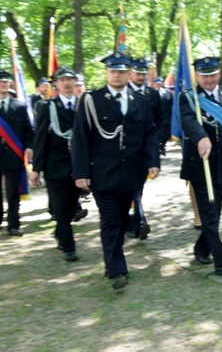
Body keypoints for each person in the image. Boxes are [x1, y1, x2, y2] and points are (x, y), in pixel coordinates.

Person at [71, 52, 160, 290]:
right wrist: (80, 173)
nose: (117, 75)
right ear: (107, 73)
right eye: (113, 71)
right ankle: (117, 269)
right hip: (102, 173)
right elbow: (80, 138)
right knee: (110, 219)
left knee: (121, 219)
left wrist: (153, 160)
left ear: (129, 72)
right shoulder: (92, 99)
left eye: (121, 71)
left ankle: (113, 261)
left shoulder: (139, 100)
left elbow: (150, 132)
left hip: (132, 173)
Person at [179, 56, 222, 275]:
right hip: (200, 164)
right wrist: (201, 137)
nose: (209, 79)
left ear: (219, 74)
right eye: (204, 75)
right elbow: (187, 121)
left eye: (212, 74)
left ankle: (200, 248)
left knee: (216, 211)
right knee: (209, 213)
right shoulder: (188, 98)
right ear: (197, 75)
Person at [30, 67, 81, 260]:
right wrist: (36, 169)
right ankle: (69, 247)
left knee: (70, 206)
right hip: (55, 166)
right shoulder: (47, 106)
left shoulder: (83, 105)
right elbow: (40, 139)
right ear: (56, 84)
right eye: (62, 80)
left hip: (77, 166)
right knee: (60, 206)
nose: (67, 83)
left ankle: (60, 232)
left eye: (70, 79)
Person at [126, 57, 163, 240]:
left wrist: (157, 146)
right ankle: (138, 221)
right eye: (137, 72)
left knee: (137, 187)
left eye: (143, 73)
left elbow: (159, 121)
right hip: (125, 151)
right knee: (130, 188)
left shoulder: (152, 94)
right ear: (130, 73)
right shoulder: (122, 92)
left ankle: (134, 222)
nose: (141, 76)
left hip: (145, 150)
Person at [0, 68, 34, 236]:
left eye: (5, 82)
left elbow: (29, 131)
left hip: (14, 156)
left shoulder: (20, 107)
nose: (3, 85)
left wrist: (29, 147)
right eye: (1, 82)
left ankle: (14, 224)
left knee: (13, 192)